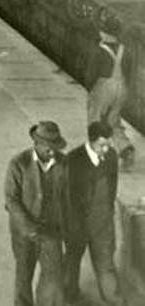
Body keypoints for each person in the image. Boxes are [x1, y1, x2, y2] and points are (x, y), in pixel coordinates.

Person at [4, 121, 70, 306]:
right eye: (49, 147)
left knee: (54, 277)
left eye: (55, 147)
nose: (52, 152)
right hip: (24, 233)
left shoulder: (63, 163)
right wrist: (28, 227)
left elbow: (68, 198)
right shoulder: (18, 164)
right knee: (24, 276)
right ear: (37, 144)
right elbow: (11, 200)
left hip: (51, 231)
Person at [64, 121, 126, 306]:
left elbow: (111, 188)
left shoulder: (112, 156)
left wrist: (107, 213)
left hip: (102, 224)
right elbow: (65, 196)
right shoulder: (72, 160)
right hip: (77, 224)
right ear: (90, 141)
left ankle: (115, 301)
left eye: (108, 144)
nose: (106, 149)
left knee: (106, 266)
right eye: (102, 145)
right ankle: (69, 296)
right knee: (71, 262)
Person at [88, 16, 134, 168]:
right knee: (113, 120)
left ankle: (99, 154)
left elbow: (90, 74)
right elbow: (129, 71)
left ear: (105, 33)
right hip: (122, 86)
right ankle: (125, 148)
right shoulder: (125, 50)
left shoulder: (100, 50)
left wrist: (91, 90)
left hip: (103, 87)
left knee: (96, 120)